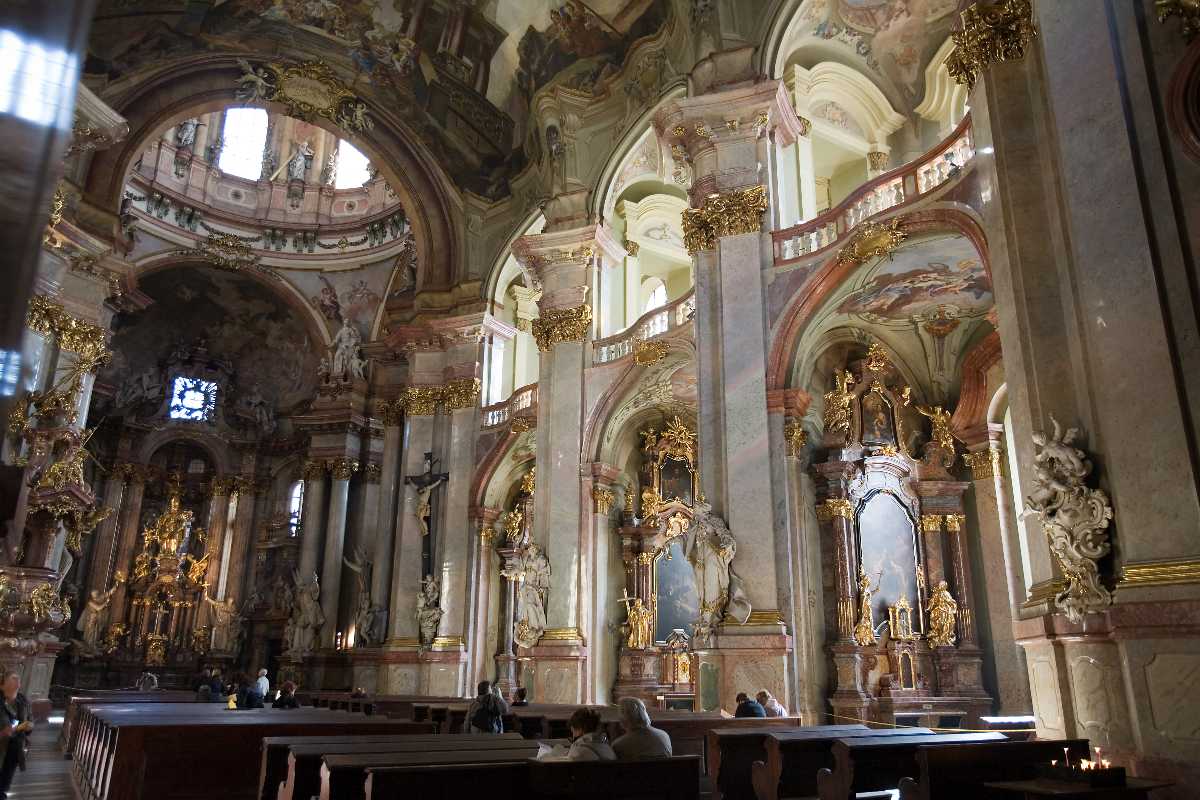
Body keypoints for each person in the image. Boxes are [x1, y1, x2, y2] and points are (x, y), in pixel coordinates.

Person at [537, 708, 616, 761]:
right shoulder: (608, 748)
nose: (573, 735)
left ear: (580, 729)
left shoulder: (579, 750)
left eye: (573, 731)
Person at [0, 673, 32, 800]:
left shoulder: (22, 700)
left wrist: (29, 726)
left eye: (18, 679)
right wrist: (4, 732)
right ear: (3, 684)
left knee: (4, 784)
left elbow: (30, 719)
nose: (17, 681)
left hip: (14, 748)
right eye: (13, 678)